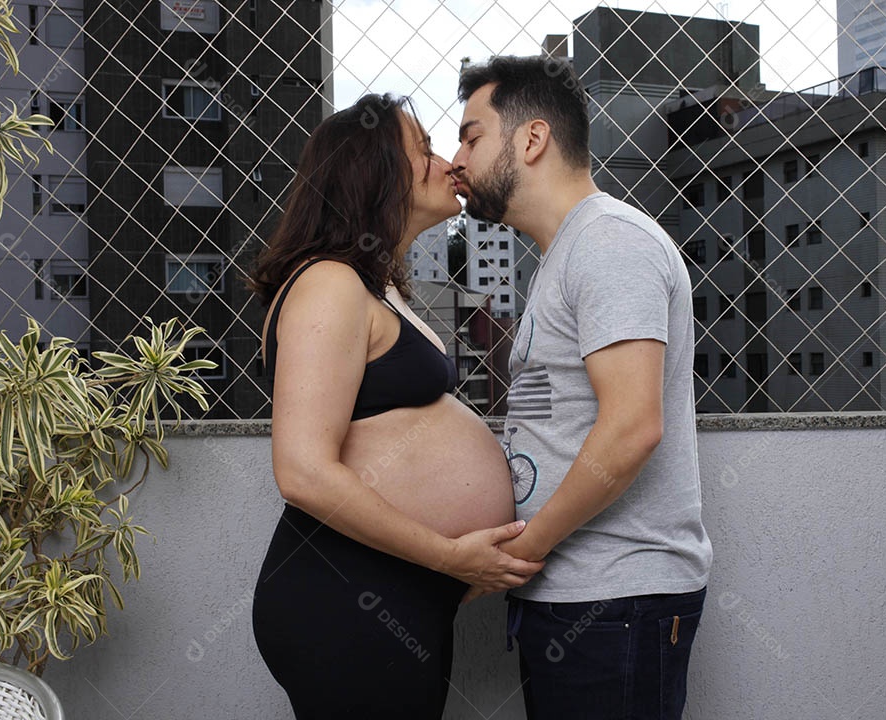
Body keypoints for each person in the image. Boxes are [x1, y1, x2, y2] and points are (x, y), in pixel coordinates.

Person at [247, 93, 543, 719]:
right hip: (348, 594)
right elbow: (302, 471)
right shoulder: (328, 282)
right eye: (426, 151)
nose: (446, 165)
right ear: (375, 172)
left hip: (398, 590)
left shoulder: (372, 284)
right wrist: (450, 557)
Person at [451, 56, 714, 719]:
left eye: (472, 135)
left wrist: (525, 550)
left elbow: (632, 427)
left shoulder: (608, 244)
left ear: (531, 139)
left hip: (615, 601)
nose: (457, 160)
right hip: (581, 600)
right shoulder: (565, 254)